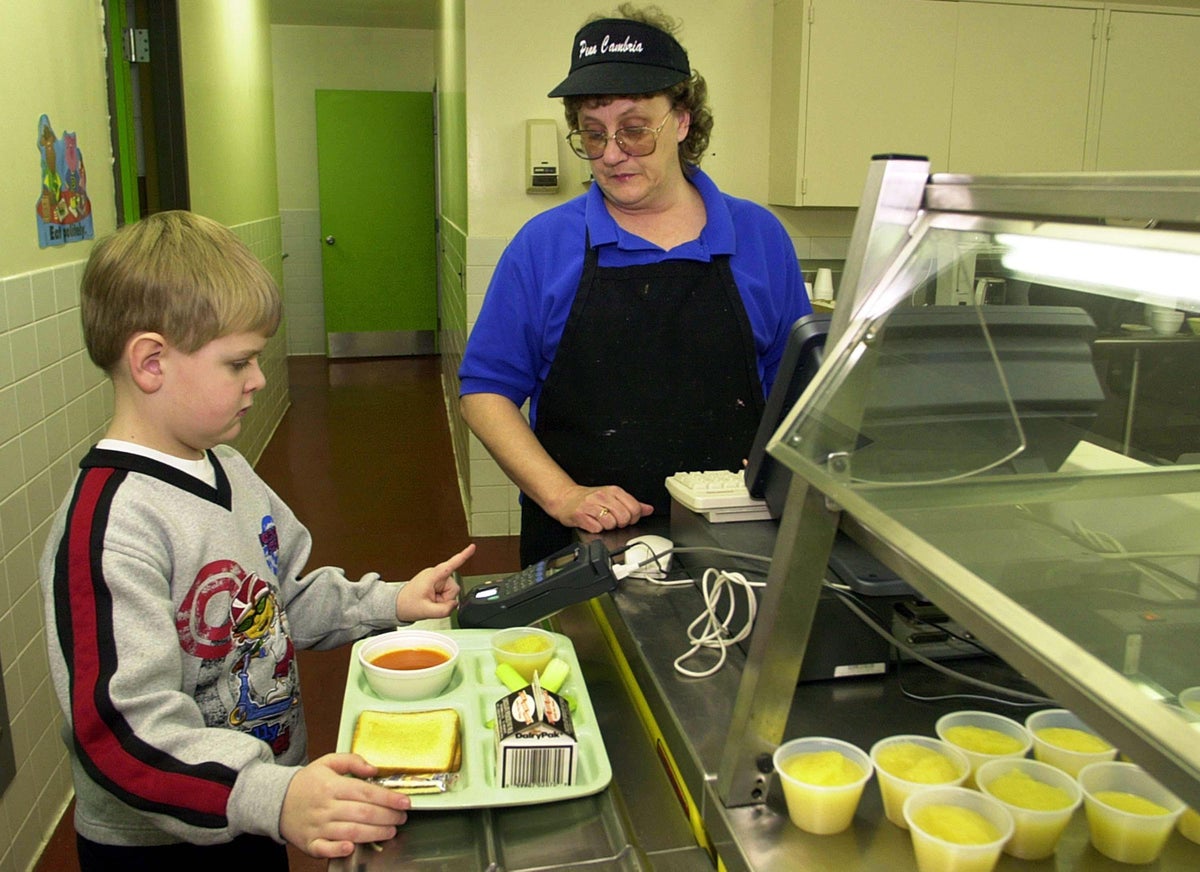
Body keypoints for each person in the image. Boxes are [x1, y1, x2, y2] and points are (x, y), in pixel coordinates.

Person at [38, 210, 476, 871]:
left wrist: (390, 604)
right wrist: (270, 794)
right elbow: (120, 736)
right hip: (162, 840)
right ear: (151, 362)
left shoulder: (229, 469)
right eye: (238, 362)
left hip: (251, 807)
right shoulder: (110, 526)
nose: (259, 379)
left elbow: (285, 599)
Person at [459, 4, 811, 565]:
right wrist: (564, 495)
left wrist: (779, 471)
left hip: (735, 537)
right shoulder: (544, 244)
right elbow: (485, 394)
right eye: (593, 135)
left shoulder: (758, 236)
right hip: (582, 546)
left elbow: (794, 387)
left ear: (683, 120)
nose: (613, 154)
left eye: (635, 130)